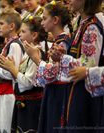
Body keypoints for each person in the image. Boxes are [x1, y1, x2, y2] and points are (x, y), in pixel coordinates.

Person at [49, 0, 104, 132]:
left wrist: (62, 58)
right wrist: (65, 54)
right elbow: (80, 58)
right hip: (75, 90)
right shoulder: (82, 24)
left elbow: (89, 66)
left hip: (84, 94)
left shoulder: (91, 27)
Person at [23, 1, 73, 132]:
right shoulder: (58, 41)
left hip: (58, 94)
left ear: (55, 19)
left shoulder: (62, 42)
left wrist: (36, 58)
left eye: (44, 19)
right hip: (53, 93)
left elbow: (52, 74)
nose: (41, 22)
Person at [0, 16, 47, 132]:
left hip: (31, 106)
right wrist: (12, 70)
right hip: (23, 103)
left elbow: (28, 83)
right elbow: (19, 80)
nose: (19, 35)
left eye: (23, 32)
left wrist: (12, 69)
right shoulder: (26, 54)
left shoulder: (36, 54)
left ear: (34, 35)